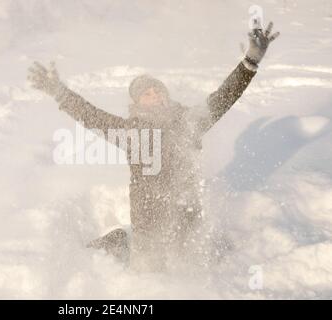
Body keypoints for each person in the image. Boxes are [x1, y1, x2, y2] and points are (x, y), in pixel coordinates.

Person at [28, 22, 279, 272]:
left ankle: (127, 240)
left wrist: (250, 63)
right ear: (137, 103)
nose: (155, 95)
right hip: (148, 226)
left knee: (195, 267)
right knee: (150, 277)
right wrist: (58, 92)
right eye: (146, 93)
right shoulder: (131, 132)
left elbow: (223, 98)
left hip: (186, 222)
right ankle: (120, 240)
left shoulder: (189, 123)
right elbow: (90, 115)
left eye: (157, 91)